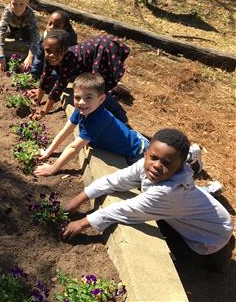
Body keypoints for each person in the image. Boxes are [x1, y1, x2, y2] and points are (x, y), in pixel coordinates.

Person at [61, 128, 234, 271]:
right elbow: (116, 179)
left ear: (180, 168)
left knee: (195, 269)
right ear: (146, 154)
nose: (158, 165)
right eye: (154, 158)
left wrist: (83, 222)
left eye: (167, 163)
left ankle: (220, 260)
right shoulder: (147, 165)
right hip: (193, 217)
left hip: (211, 237)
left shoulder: (169, 192)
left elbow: (126, 210)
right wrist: (79, 198)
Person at [34, 72, 148, 177]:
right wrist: (49, 151)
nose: (82, 102)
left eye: (88, 97)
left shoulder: (97, 120)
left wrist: (52, 169)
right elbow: (65, 131)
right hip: (130, 144)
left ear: (101, 99)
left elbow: (74, 148)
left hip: (138, 152)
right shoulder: (81, 110)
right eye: (77, 97)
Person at [28, 30, 129, 123]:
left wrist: (44, 111)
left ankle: (120, 116)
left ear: (65, 50)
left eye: (57, 51)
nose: (52, 55)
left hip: (103, 53)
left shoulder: (69, 61)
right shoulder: (50, 56)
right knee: (92, 88)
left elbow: (58, 88)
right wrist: (38, 99)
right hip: (91, 56)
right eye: (48, 51)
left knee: (98, 89)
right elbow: (46, 76)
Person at [0, 0, 40, 72]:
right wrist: (0, 54)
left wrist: (30, 56)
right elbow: (1, 30)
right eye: (14, 4)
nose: (18, 8)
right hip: (11, 29)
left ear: (27, 3)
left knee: (33, 38)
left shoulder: (30, 13)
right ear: (9, 2)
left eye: (21, 4)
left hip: (25, 30)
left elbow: (35, 33)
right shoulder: (7, 11)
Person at [30, 10, 77, 79]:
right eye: (50, 23)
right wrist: (34, 73)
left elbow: (64, 61)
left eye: (57, 26)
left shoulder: (68, 41)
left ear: (65, 28)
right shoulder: (47, 33)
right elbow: (39, 54)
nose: (51, 27)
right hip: (50, 59)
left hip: (62, 63)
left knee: (56, 71)